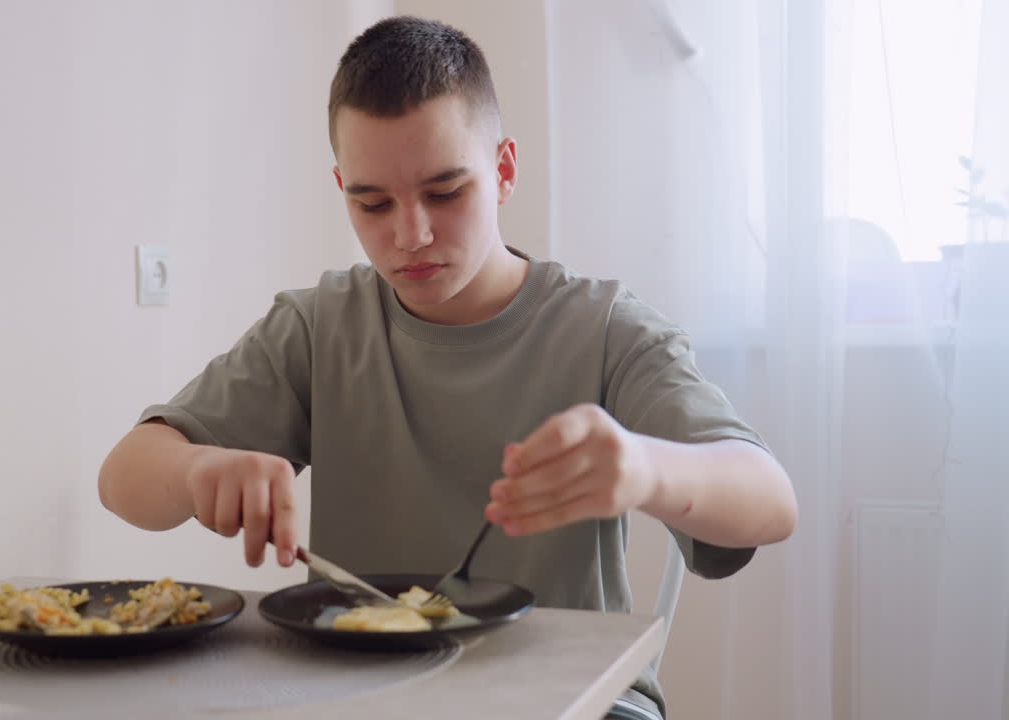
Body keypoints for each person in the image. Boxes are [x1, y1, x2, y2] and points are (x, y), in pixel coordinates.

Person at [98, 15, 797, 719]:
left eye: (445, 192)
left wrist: (646, 468)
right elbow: (124, 477)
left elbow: (770, 500)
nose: (411, 236)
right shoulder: (320, 327)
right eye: (372, 203)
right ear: (341, 187)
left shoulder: (602, 328)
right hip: (369, 694)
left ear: (504, 170)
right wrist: (195, 472)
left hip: (576, 701)